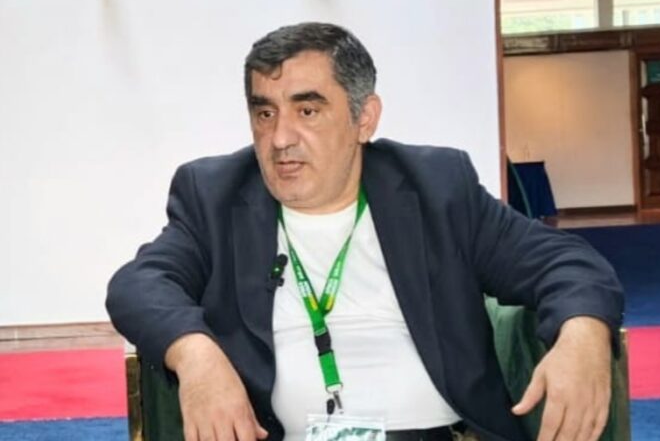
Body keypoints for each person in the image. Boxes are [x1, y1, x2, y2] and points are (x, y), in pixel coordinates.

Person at [106, 22, 624, 441]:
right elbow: (139, 284)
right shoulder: (215, 196)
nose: (280, 137)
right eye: (265, 112)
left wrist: (582, 334)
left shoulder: (435, 189)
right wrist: (195, 354)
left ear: (364, 118)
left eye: (307, 110)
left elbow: (565, 262)